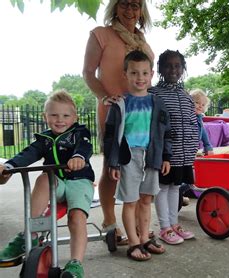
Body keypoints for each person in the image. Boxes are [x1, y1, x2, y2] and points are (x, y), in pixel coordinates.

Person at [0, 90, 95, 277]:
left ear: (74, 117)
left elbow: (85, 146)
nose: (60, 120)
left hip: (79, 181)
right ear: (45, 117)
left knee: (76, 218)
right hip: (56, 182)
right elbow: (28, 153)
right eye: (54, 115)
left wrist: (78, 157)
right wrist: (9, 166)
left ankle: (76, 264)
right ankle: (30, 235)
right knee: (43, 178)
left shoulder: (79, 133)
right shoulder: (44, 139)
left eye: (66, 115)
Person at [82, 0, 154, 242]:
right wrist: (104, 97)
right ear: (114, 7)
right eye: (124, 4)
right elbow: (88, 73)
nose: (130, 11)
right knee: (113, 165)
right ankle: (110, 220)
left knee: (141, 166)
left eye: (135, 6)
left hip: (142, 115)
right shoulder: (101, 35)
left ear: (141, 11)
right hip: (115, 111)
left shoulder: (143, 42)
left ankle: (136, 224)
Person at [103, 50, 171, 261]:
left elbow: (165, 131)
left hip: (151, 157)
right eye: (134, 73)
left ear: (151, 74)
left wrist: (165, 156)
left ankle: (144, 238)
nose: (139, 78)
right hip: (128, 157)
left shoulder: (157, 103)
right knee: (130, 201)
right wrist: (113, 163)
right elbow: (111, 136)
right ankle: (133, 243)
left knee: (146, 200)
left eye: (144, 73)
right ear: (126, 74)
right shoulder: (120, 104)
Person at [148, 50, 198, 244]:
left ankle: (174, 224)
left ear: (183, 68)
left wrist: (194, 146)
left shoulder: (186, 95)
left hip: (185, 153)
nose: (173, 69)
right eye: (168, 65)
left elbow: (193, 122)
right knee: (162, 187)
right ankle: (164, 227)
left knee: (176, 187)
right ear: (160, 68)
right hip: (166, 153)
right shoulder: (154, 93)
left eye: (177, 66)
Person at [179, 89, 214, 205]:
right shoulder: (187, 116)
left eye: (203, 104)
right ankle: (179, 193)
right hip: (184, 150)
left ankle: (180, 192)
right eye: (197, 103)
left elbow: (203, 133)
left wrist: (208, 146)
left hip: (192, 151)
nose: (200, 106)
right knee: (186, 175)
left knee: (192, 175)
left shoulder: (199, 118)